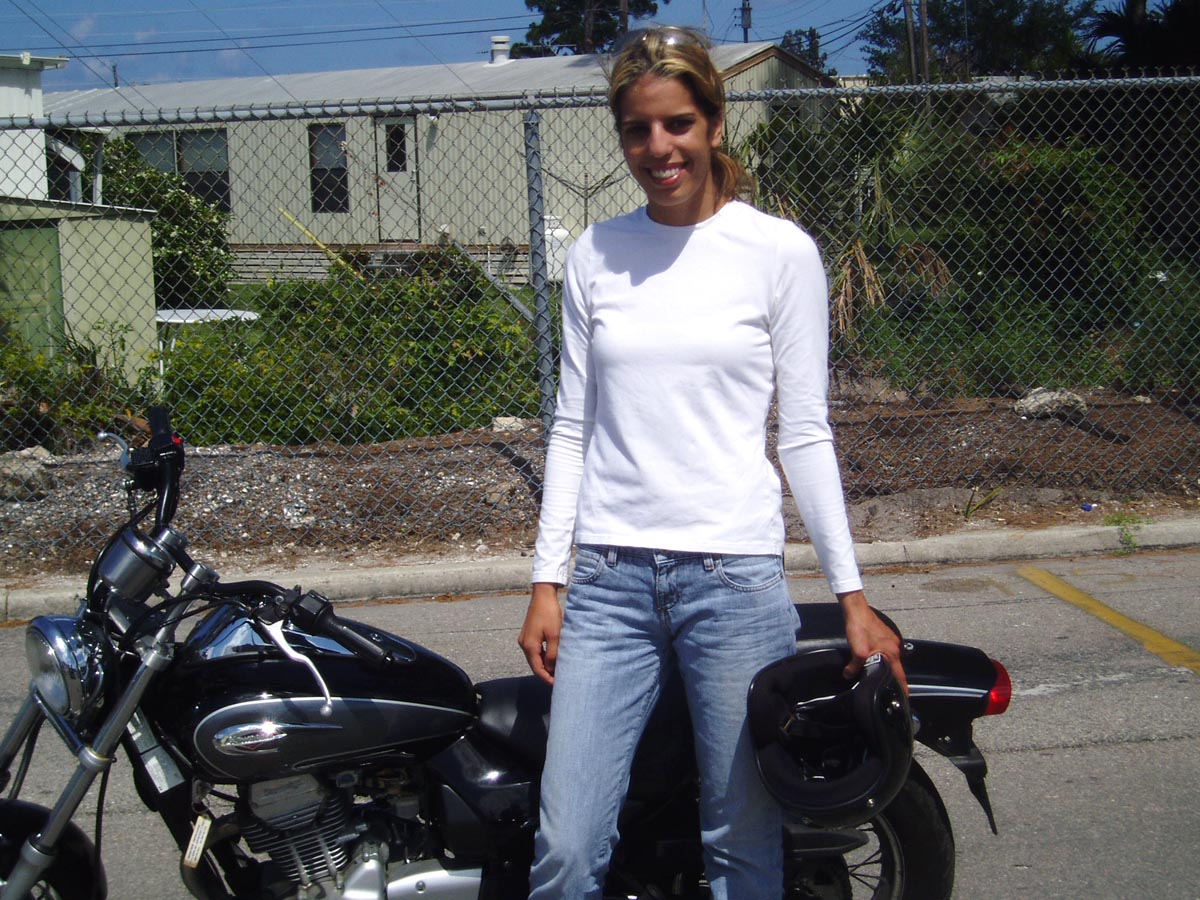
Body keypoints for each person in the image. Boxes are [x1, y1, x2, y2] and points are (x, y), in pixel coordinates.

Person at [517, 25, 906, 900]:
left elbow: (804, 433)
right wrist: (548, 581)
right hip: (609, 582)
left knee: (741, 843)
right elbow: (572, 428)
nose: (658, 149)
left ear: (716, 124)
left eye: (678, 124)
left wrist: (852, 596)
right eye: (638, 129)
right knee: (568, 846)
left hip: (733, 581)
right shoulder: (595, 254)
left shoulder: (777, 253)